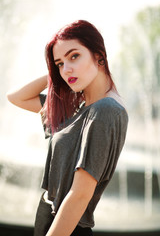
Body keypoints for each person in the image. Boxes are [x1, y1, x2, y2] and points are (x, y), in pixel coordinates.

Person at [7, 20, 128, 236]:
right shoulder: (75, 106)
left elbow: (79, 195)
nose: (66, 69)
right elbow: (15, 97)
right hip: (47, 215)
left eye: (74, 56)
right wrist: (56, 74)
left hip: (67, 227)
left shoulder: (106, 109)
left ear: (99, 55)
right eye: (59, 63)